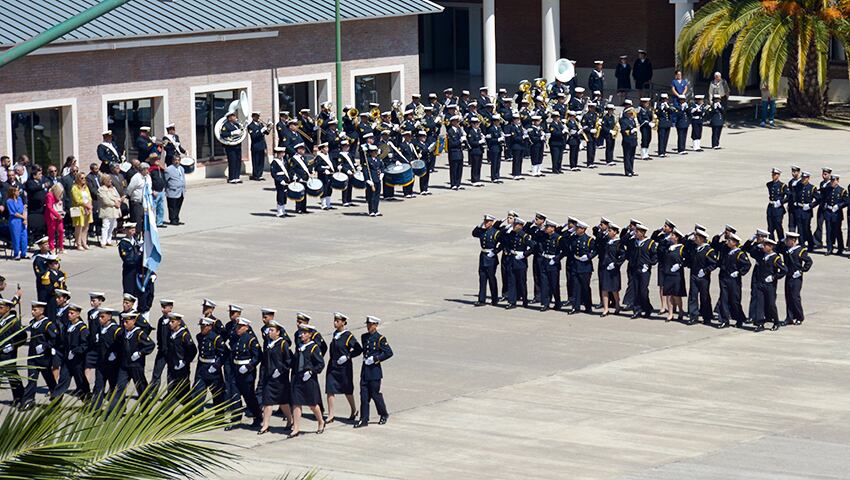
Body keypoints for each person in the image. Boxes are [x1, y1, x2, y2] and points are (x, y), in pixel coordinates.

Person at [257, 318, 294, 435]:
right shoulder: (268, 343)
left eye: (272, 330)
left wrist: (281, 370)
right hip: (269, 377)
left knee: (283, 402)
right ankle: (265, 424)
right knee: (267, 401)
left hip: (280, 378)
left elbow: (289, 361)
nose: (269, 332)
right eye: (269, 330)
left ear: (278, 332)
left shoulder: (283, 344)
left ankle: (290, 420)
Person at [354, 316, 393, 428]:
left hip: (374, 372)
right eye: (367, 324)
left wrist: (375, 359)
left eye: (371, 324)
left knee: (375, 395)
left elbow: (389, 353)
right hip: (365, 370)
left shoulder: (380, 339)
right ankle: (364, 419)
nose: (368, 327)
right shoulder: (364, 337)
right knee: (364, 396)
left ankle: (383, 414)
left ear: (376, 325)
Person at [21, 301, 59, 409]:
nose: (33, 312)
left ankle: (56, 397)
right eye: (32, 309)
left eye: (35, 310)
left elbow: (54, 338)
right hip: (32, 357)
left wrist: (45, 346)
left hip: (43, 357)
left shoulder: (47, 324)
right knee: (32, 379)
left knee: (49, 379)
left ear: (42, 311)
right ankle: (28, 400)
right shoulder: (33, 323)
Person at [325, 312, 362, 424]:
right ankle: (331, 414)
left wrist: (347, 356)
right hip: (333, 365)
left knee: (347, 389)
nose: (335, 322)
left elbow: (358, 349)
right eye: (335, 320)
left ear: (343, 322)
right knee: (330, 389)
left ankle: (354, 410)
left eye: (338, 321)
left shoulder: (348, 335)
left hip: (344, 367)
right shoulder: (335, 334)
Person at [291, 324, 326, 437]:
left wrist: (311, 372)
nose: (302, 335)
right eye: (301, 333)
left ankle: (320, 421)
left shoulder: (314, 347)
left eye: (305, 333)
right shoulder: (300, 346)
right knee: (296, 403)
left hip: (309, 378)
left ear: (310, 335)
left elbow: (320, 363)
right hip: (298, 377)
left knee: (312, 404)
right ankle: (296, 427)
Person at [191, 316, 227, 415]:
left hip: (213, 369)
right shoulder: (199, 336)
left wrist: (216, 365)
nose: (202, 329)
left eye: (204, 327)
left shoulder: (216, 338)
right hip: (202, 367)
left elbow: (224, 353)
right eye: (201, 327)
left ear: (210, 327)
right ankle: (198, 415)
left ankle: (219, 416)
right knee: (198, 393)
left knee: (217, 394)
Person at [53, 303, 90, 399]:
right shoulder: (67, 325)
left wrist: (75, 351)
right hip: (67, 359)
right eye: (69, 313)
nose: (69, 315)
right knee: (63, 379)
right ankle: (55, 401)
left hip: (78, 361)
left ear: (78, 314)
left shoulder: (82, 328)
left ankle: (87, 401)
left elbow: (85, 345)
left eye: (72, 313)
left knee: (81, 382)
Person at [685, 228, 718, 325]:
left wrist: (705, 271)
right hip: (694, 275)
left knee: (704, 297)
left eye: (696, 237)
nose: (694, 239)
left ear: (701, 239)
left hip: (703, 277)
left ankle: (707, 316)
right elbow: (685, 243)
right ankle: (693, 316)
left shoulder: (708, 250)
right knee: (692, 296)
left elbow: (714, 264)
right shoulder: (694, 248)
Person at [717, 234, 751, 328]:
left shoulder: (740, 253)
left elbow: (747, 265)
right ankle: (724, 320)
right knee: (724, 299)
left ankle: (739, 319)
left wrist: (739, 273)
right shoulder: (727, 251)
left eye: (730, 241)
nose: (727, 242)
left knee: (734, 301)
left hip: (734, 281)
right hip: (724, 278)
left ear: (735, 243)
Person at [753, 238, 787, 331]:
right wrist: (756, 246)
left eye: (765, 245)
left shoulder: (775, 258)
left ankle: (776, 322)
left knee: (771, 304)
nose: (763, 247)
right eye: (763, 245)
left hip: (770, 285)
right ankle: (760, 323)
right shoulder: (761, 255)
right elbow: (751, 252)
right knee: (759, 304)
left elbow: (784, 270)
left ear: (771, 247)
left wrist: (773, 277)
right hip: (760, 283)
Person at [779, 232, 813, 326]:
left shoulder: (800, 251)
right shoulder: (786, 249)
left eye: (788, 240)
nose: (786, 241)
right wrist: (781, 241)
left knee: (795, 297)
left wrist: (801, 271)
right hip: (788, 275)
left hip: (796, 276)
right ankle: (789, 317)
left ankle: (799, 317)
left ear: (793, 241)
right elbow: (776, 248)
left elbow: (809, 262)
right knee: (788, 296)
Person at [91, 308, 121, 409]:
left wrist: (116, 353)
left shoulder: (115, 330)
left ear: (109, 317)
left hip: (112, 364)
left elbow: (121, 344)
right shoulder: (100, 329)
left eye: (102, 317)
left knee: (113, 386)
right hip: (101, 362)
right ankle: (96, 407)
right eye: (99, 316)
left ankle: (117, 408)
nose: (100, 319)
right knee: (99, 385)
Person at [504, 218, 535, 309]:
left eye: (516, 225)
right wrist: (508, 251)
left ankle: (524, 300)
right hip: (512, 260)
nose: (513, 226)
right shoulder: (511, 234)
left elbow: (533, 247)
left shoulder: (524, 236)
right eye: (514, 224)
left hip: (520, 262)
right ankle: (512, 301)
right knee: (511, 281)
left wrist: (524, 254)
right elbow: (507, 243)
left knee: (521, 282)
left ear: (520, 226)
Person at [165, 313, 197, 403]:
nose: (170, 324)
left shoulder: (184, 335)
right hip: (172, 367)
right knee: (171, 390)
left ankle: (189, 414)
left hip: (182, 368)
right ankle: (167, 414)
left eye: (172, 321)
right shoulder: (170, 333)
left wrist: (185, 361)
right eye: (170, 321)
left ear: (179, 322)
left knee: (184, 392)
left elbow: (193, 350)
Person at [0, 298, 26, 406]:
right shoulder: (1, 319)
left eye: (1, 308)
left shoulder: (13, 321)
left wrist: (12, 346)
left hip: (8, 353)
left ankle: (19, 396)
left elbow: (22, 336)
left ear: (8, 308)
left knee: (12, 375)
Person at [472, 214, 503, 307]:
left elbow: (503, 244)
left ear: (492, 222)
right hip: (483, 256)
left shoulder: (496, 232)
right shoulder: (482, 231)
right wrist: (480, 225)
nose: (486, 223)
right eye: (485, 221)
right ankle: (481, 299)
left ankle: (494, 299)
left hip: (491, 258)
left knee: (491, 278)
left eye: (487, 222)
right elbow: (474, 233)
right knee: (482, 278)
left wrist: (495, 252)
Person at [630, 224, 658, 319]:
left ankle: (647, 308)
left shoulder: (650, 243)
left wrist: (649, 264)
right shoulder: (634, 242)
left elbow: (654, 257)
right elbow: (623, 241)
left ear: (642, 233)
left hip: (645, 270)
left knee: (643, 290)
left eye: (637, 232)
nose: (635, 233)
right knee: (635, 290)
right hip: (635, 269)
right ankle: (637, 310)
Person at [660, 229, 687, 322]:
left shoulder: (682, 248)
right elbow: (660, 251)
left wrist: (679, 265)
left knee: (676, 295)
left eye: (672, 235)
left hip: (676, 275)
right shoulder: (668, 247)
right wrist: (664, 242)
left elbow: (687, 259)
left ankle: (680, 311)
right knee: (668, 294)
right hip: (667, 273)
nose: (670, 237)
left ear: (677, 238)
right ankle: (670, 314)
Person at [599, 223, 625, 317]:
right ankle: (606, 309)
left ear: (615, 232)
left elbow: (622, 256)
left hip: (613, 269)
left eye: (610, 231)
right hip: (605, 267)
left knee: (614, 289)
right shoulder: (607, 241)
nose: (608, 232)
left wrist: (615, 264)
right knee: (604, 288)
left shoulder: (619, 243)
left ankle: (617, 305)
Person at [822, 173, 847, 255]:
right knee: (828, 231)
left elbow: (846, 201)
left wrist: (839, 206)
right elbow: (824, 198)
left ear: (838, 181)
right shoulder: (828, 189)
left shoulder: (842, 191)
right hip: (828, 213)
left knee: (837, 231)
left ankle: (840, 248)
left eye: (834, 181)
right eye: (831, 181)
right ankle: (829, 248)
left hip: (837, 214)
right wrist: (825, 205)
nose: (832, 182)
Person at [69, 172, 93, 250]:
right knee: (78, 227)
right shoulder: (74, 188)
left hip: (87, 209)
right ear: (78, 179)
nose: (83, 180)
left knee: (86, 227)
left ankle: (84, 242)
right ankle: (78, 244)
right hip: (78, 209)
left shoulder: (86, 187)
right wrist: (86, 205)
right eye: (82, 178)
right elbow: (77, 200)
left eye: (84, 178)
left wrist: (89, 205)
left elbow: (89, 197)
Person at [96, 174, 122, 247]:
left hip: (114, 211)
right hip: (106, 210)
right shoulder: (101, 189)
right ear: (104, 181)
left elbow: (118, 197)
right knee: (106, 226)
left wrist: (118, 201)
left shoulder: (113, 188)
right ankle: (103, 241)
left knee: (112, 226)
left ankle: (109, 240)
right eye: (108, 180)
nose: (110, 181)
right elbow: (105, 200)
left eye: (110, 179)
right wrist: (114, 203)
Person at [6, 184, 28, 260]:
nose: (19, 192)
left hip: (22, 220)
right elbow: (13, 212)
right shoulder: (9, 201)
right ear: (13, 192)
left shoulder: (19, 199)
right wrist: (23, 217)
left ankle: (23, 253)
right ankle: (16, 254)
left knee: (24, 236)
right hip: (15, 221)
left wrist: (25, 219)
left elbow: (23, 209)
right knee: (16, 237)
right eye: (17, 191)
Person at [221, 112, 244, 184]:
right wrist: (232, 133)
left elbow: (241, 132)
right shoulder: (226, 125)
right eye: (233, 116)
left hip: (237, 145)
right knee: (232, 161)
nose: (235, 117)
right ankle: (231, 178)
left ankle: (237, 177)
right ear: (229, 118)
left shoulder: (237, 125)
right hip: (230, 146)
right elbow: (223, 134)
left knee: (238, 161)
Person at [118, 224, 141, 294]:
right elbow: (127, 259)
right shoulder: (123, 243)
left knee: (137, 291)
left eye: (134, 229)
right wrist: (138, 256)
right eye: (131, 229)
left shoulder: (136, 240)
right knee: (129, 290)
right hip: (129, 270)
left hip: (138, 269)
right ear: (126, 231)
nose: (133, 230)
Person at [246, 112, 269, 181]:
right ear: (253, 117)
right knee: (256, 161)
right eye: (256, 116)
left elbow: (266, 133)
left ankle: (260, 174)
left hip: (261, 145)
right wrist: (260, 131)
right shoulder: (250, 126)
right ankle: (256, 175)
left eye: (258, 116)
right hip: (255, 146)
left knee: (261, 161)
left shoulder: (260, 124)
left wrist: (268, 127)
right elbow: (254, 136)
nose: (258, 118)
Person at [164, 154, 186, 225]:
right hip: (172, 191)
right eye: (175, 160)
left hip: (181, 191)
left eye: (178, 160)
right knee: (172, 206)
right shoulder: (169, 169)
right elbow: (165, 180)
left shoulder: (181, 168)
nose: (177, 162)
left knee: (178, 206)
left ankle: (176, 218)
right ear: (172, 161)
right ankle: (172, 219)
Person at [363, 144, 383, 217]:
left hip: (378, 179)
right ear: (370, 152)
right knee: (371, 196)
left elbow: (381, 167)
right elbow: (365, 171)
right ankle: (371, 211)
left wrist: (382, 174)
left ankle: (376, 210)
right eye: (374, 152)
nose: (375, 153)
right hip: (371, 180)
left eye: (376, 152)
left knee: (377, 196)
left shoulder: (378, 159)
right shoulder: (367, 160)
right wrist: (367, 180)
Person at [620, 107, 638, 177]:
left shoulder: (632, 120)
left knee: (632, 157)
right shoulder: (624, 121)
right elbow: (623, 131)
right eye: (630, 113)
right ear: (627, 113)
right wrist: (631, 131)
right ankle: (627, 171)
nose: (632, 114)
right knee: (627, 156)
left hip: (633, 140)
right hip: (627, 140)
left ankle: (631, 170)